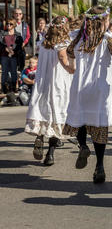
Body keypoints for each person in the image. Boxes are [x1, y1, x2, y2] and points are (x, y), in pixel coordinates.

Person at [59, 6, 112, 184]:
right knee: (99, 128)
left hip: (79, 88)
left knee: (81, 120)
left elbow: (68, 58)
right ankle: (99, 166)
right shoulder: (109, 39)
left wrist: (71, 69)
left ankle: (83, 146)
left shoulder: (76, 39)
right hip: (99, 90)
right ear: (104, 21)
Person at [25, 16, 73, 166]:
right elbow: (62, 58)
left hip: (43, 83)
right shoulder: (63, 43)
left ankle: (39, 138)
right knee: (56, 116)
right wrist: (72, 69)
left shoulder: (43, 44)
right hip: (58, 83)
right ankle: (50, 154)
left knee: (43, 112)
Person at [1, 19, 24, 106]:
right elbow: (0, 43)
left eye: (10, 24)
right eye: (7, 24)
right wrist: (6, 49)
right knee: (4, 72)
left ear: (14, 25)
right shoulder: (2, 33)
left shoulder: (17, 34)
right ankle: (4, 89)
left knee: (14, 72)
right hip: (4, 55)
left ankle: (14, 88)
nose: (9, 25)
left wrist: (13, 50)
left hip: (14, 56)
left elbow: (19, 44)